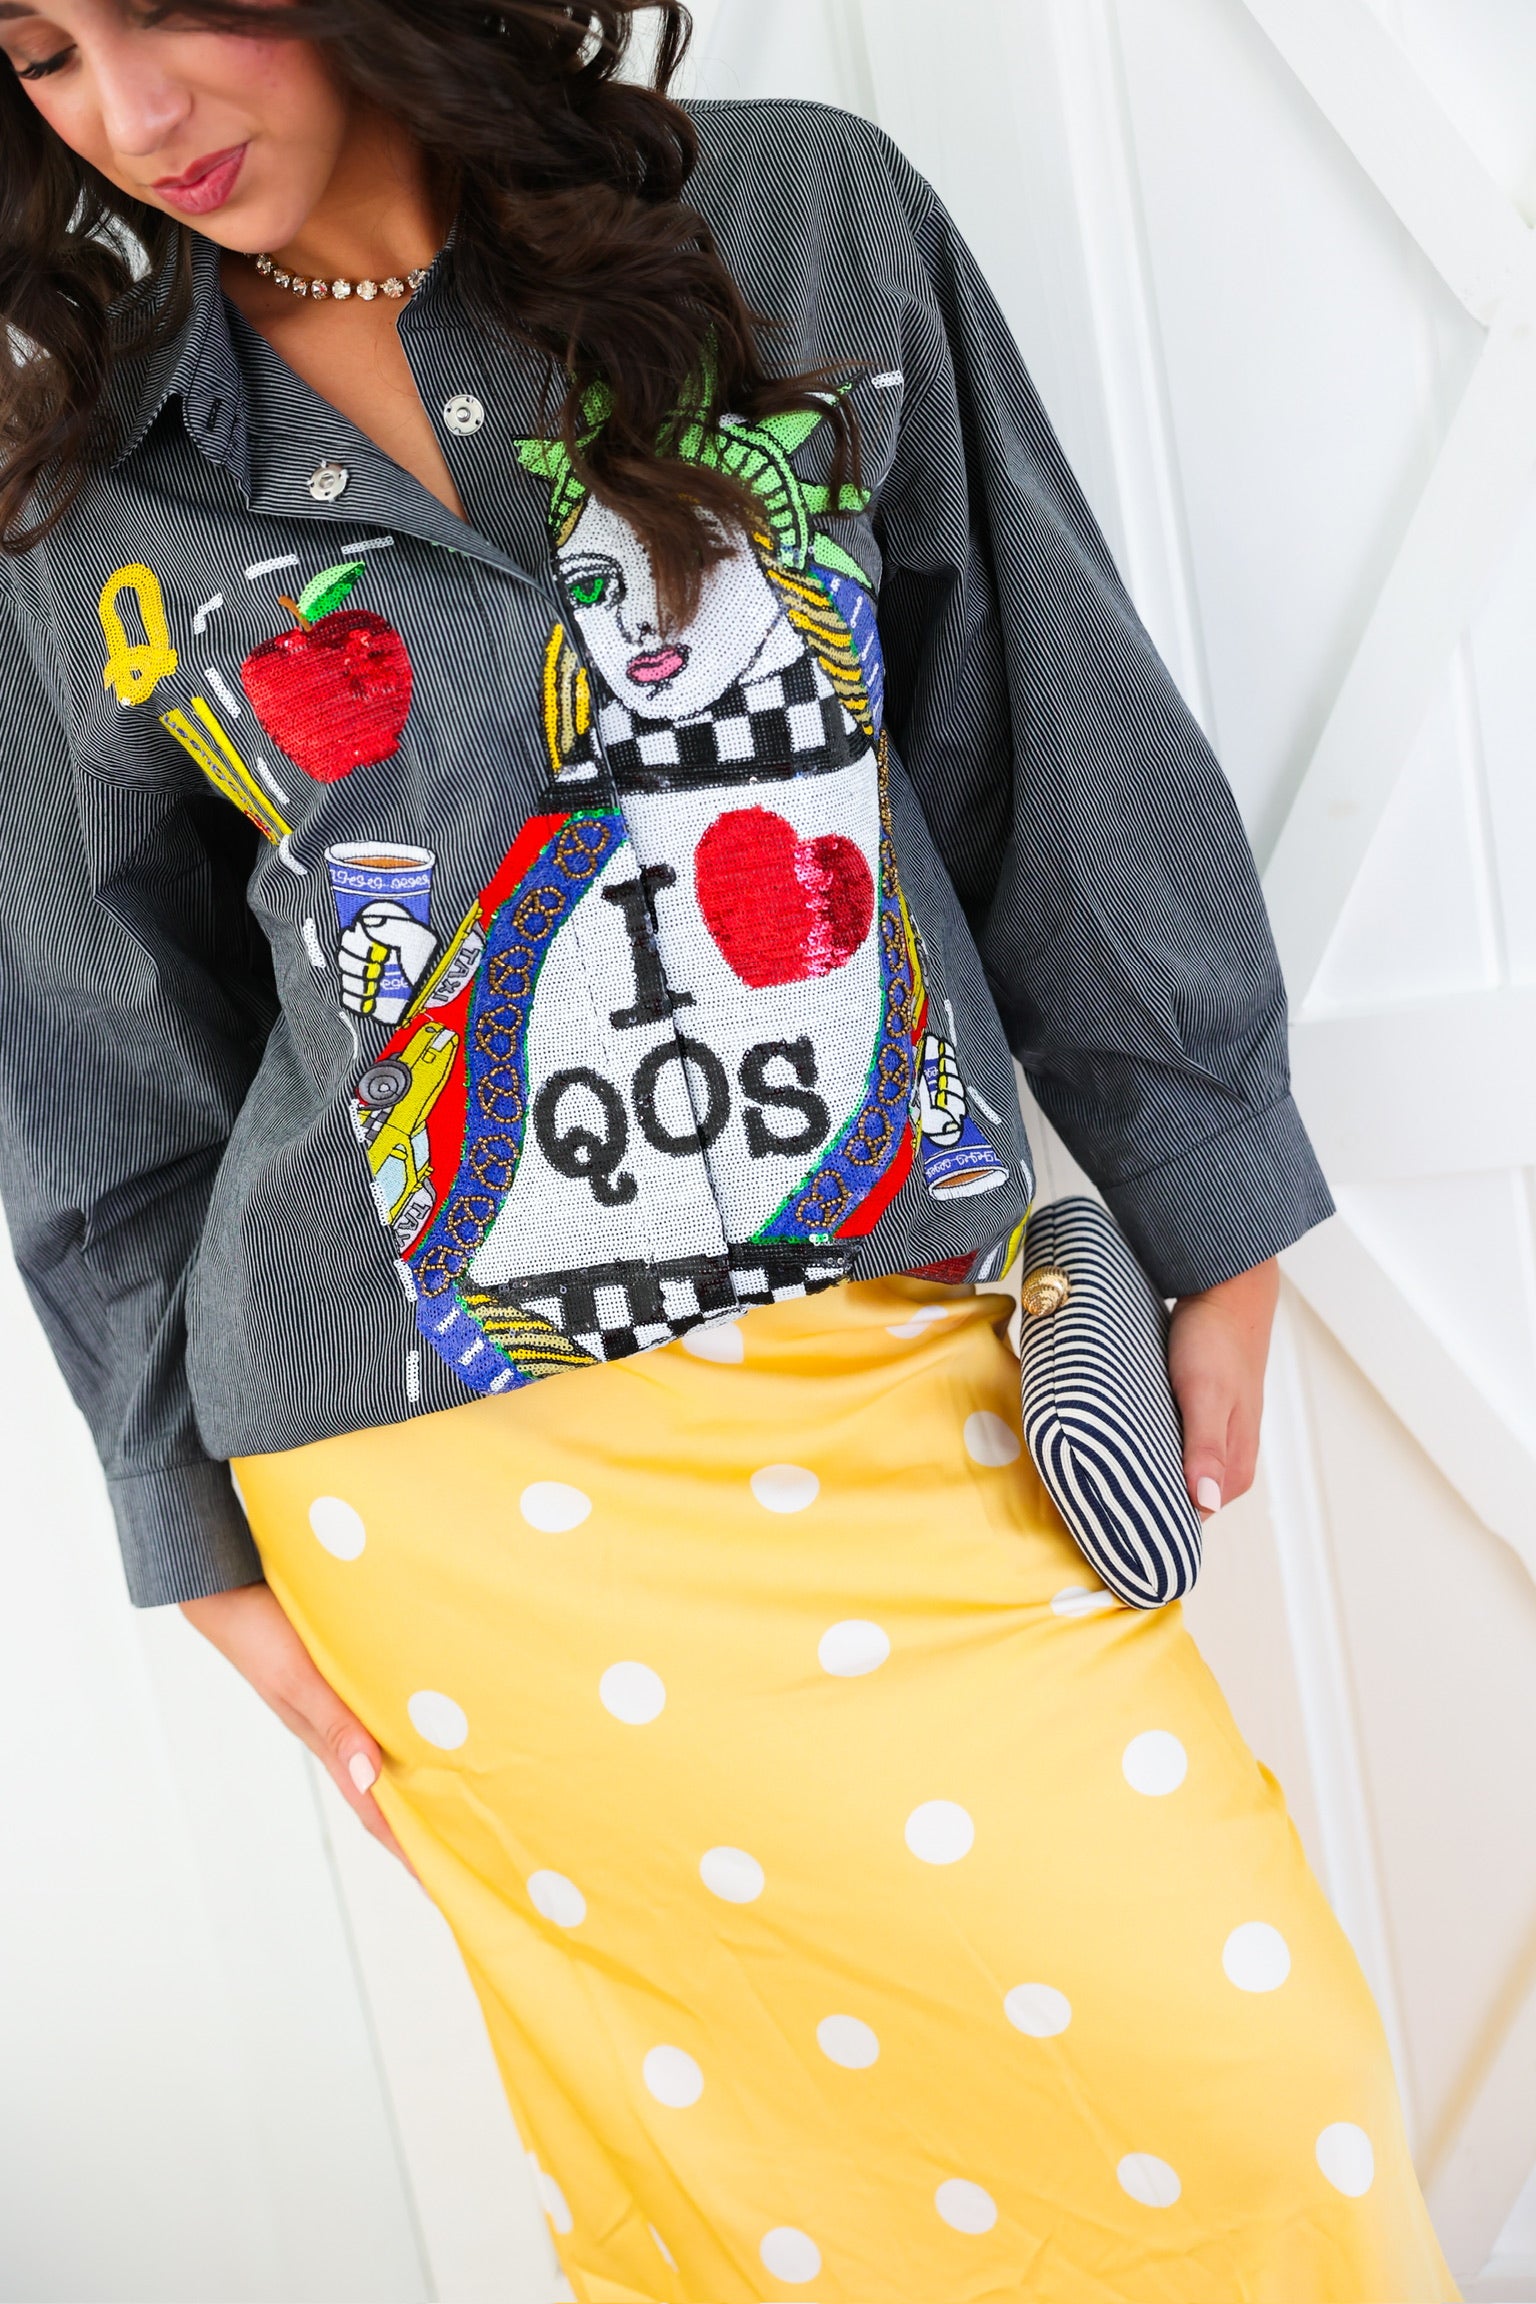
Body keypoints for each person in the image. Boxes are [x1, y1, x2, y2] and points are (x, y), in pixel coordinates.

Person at [0, 4, 1456, 2298]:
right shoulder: (97, 485)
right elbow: (106, 1049)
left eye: (179, 5)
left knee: (1250, 2100)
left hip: (900, 1378)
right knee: (736, 2210)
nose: (135, 113)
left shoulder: (785, 222)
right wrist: (186, 1525)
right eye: (41, 55)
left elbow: (1032, 714)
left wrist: (1208, 1198)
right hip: (448, 1495)